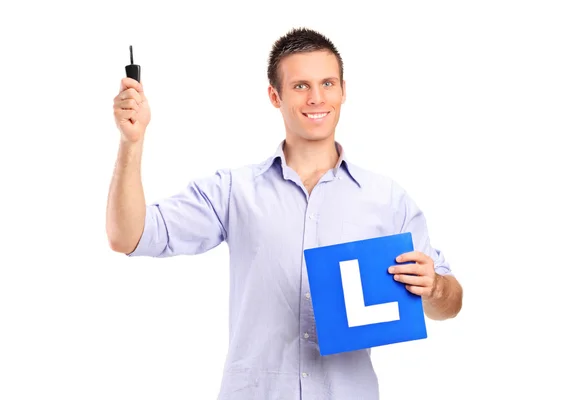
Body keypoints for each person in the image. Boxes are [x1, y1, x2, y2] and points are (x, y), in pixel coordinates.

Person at [107, 27, 463, 400]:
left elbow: (449, 303)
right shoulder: (234, 192)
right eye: (300, 86)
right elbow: (128, 235)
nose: (316, 98)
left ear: (343, 91)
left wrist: (434, 286)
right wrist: (132, 142)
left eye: (327, 83)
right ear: (274, 96)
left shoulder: (385, 198)